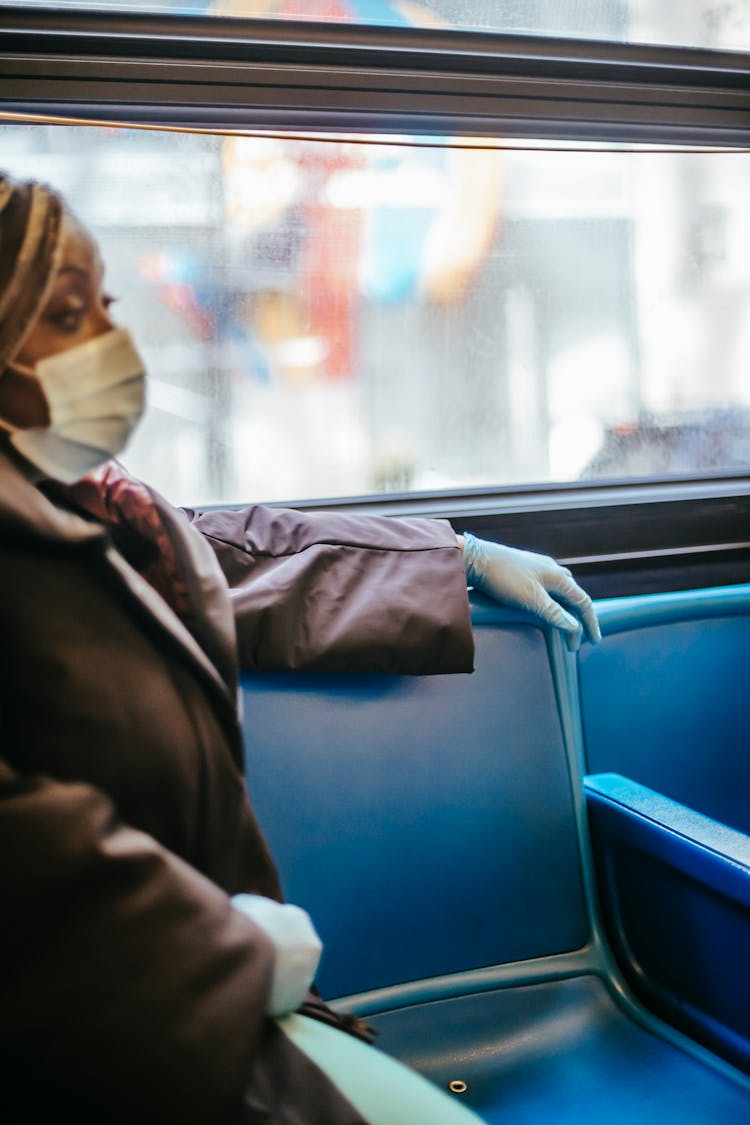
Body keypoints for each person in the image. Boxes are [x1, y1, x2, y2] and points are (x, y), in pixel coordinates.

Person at [0, 173, 599, 1124]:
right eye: (67, 312)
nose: (111, 342)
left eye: (107, 303)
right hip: (127, 1018)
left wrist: (462, 554)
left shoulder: (106, 512)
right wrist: (243, 956)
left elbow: (235, 553)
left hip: (204, 995)